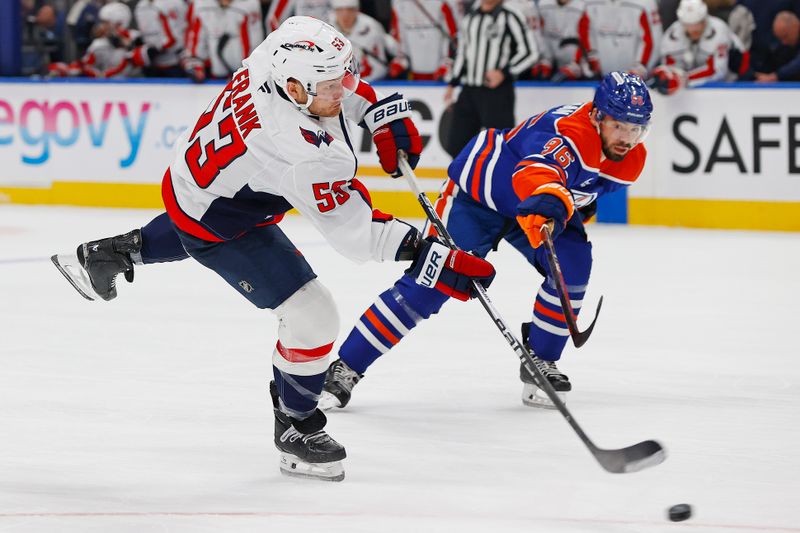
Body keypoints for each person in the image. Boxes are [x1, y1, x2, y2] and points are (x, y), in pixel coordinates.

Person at [51, 17, 495, 481]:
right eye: (330, 85)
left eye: (345, 75)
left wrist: (380, 113)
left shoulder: (282, 49)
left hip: (196, 178)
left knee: (198, 222)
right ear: (296, 91)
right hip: (219, 214)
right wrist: (430, 256)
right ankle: (295, 423)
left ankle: (105, 255)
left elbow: (340, 86)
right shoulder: (302, 151)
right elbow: (358, 235)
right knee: (313, 314)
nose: (344, 88)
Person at [320, 71, 653, 411]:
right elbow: (536, 170)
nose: (627, 137)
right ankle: (346, 367)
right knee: (431, 281)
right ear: (597, 115)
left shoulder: (630, 157)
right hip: (477, 197)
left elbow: (585, 189)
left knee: (572, 264)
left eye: (635, 128)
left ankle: (542, 361)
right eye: (619, 125)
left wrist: (569, 207)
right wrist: (551, 199)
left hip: (533, 206)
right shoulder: (569, 132)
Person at [443, 0, 538, 158]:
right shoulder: (470, 17)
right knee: (457, 145)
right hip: (469, 90)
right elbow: (463, 53)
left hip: (497, 93)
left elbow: (530, 52)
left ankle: (500, 182)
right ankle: (467, 181)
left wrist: (504, 72)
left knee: (501, 146)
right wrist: (453, 83)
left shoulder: (510, 16)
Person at [652, 0, 750, 95]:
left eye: (698, 23)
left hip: (731, 80)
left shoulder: (719, 30)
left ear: (704, 19)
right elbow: (670, 70)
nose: (693, 29)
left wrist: (685, 78)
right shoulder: (671, 36)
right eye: (688, 25)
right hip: (691, 83)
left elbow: (718, 71)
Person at [183, 0, 263, 82]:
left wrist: (248, 71)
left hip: (244, 75)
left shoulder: (250, 4)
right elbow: (196, 41)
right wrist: (196, 66)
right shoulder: (201, 4)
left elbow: (255, 40)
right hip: (215, 74)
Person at [583, 0, 662, 79]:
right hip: (601, 77)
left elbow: (654, 39)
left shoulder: (645, 3)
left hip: (635, 80)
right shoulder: (589, 3)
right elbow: (585, 32)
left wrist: (641, 67)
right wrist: (591, 58)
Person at [329, 0, 403, 81]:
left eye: (350, 10)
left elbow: (396, 49)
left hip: (378, 82)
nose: (345, 15)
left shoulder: (372, 26)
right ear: (334, 11)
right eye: (340, 10)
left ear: (357, 10)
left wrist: (398, 63)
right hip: (343, 85)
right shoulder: (327, 30)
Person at [754, 11, 800, 82]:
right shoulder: (784, 45)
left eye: (785, 36)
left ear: (796, 26)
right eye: (780, 38)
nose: (784, 42)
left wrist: (776, 76)